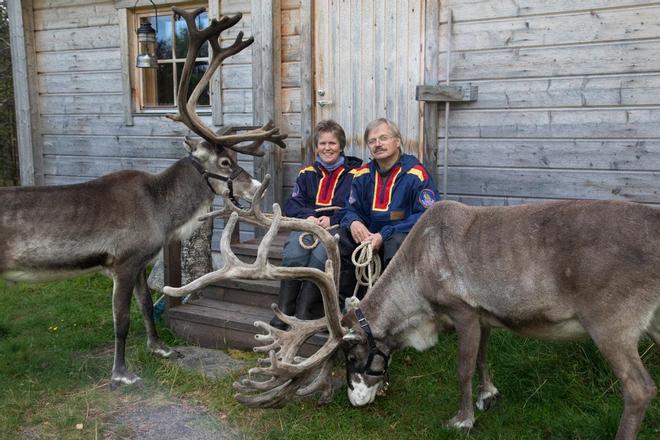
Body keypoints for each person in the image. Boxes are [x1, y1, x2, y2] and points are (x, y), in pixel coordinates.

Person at [270, 120, 362, 330]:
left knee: (321, 255)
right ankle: (285, 309)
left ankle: (304, 309)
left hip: (338, 227)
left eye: (332, 143)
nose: (327, 148)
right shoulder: (307, 173)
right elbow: (293, 204)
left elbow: (357, 205)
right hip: (310, 225)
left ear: (341, 146)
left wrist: (333, 219)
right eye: (322, 143)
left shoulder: (357, 173)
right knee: (294, 252)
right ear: (316, 146)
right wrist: (309, 217)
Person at [338, 117, 440, 304]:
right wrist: (354, 221)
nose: (378, 144)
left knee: (395, 243)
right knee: (343, 237)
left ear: (397, 142)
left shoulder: (416, 174)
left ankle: (394, 310)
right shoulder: (361, 175)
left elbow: (427, 214)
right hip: (369, 238)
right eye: (372, 141)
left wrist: (384, 235)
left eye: (383, 138)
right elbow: (350, 208)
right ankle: (349, 306)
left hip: (399, 237)